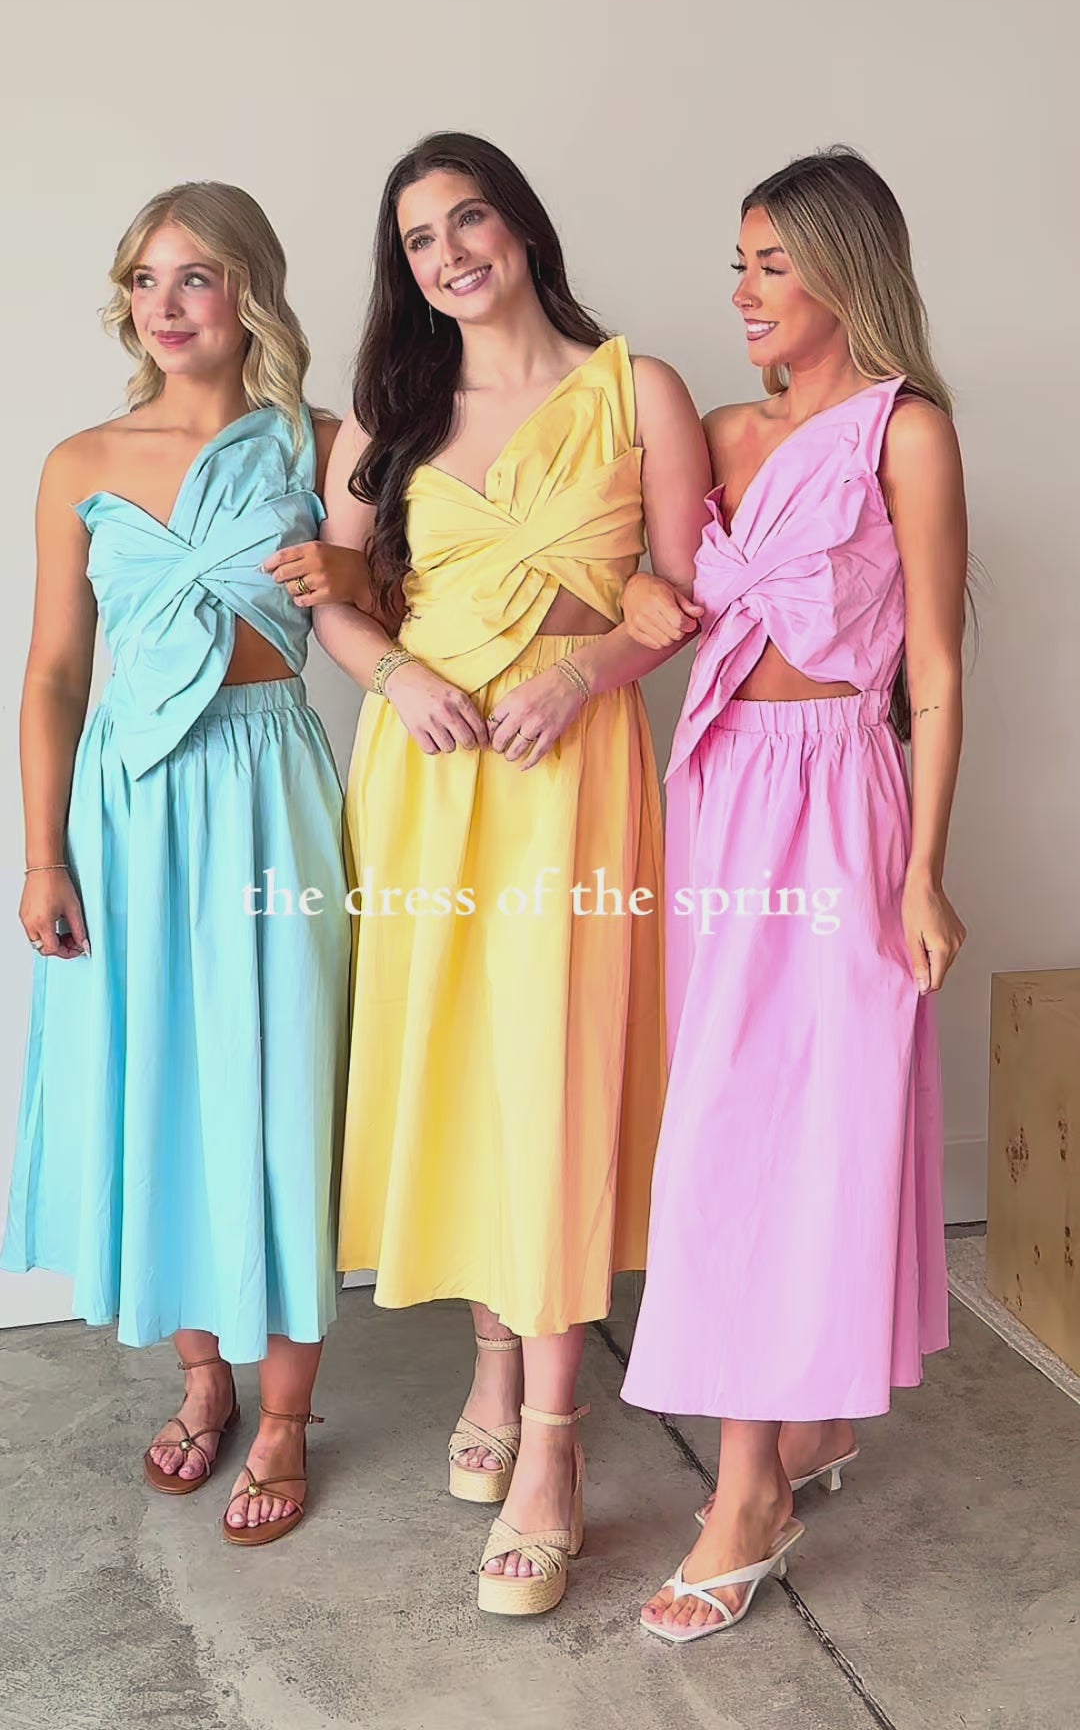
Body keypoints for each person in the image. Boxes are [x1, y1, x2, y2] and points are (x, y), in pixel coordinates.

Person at [314, 132, 711, 1615]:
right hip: (429, 772)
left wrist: (588, 674)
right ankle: (492, 1359)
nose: (448, 255)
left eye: (467, 218)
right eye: (418, 240)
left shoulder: (638, 390)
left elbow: (687, 600)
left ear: (522, 225)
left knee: (548, 1078)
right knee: (467, 1074)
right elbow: (336, 596)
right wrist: (397, 675)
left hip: (570, 775)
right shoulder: (391, 407)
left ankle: (553, 1442)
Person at [621, 147, 967, 1643]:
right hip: (717, 791)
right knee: (723, 1126)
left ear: (845, 271)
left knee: (810, 1128)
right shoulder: (715, 431)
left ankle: (749, 1490)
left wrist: (926, 871)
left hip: (839, 802)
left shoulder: (907, 433)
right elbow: (656, 601)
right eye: (740, 264)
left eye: (774, 263)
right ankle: (796, 1432)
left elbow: (935, 673)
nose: (746, 292)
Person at [2, 181, 359, 1548]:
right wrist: (43, 853)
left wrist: (359, 579)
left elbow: (386, 614)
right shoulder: (79, 463)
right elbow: (52, 672)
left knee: (285, 1074)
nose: (166, 304)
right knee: (156, 1073)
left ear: (250, 291)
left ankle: (288, 1412)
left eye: (196, 276)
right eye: (146, 279)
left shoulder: (324, 445)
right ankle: (204, 1375)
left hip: (271, 790)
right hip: (126, 808)